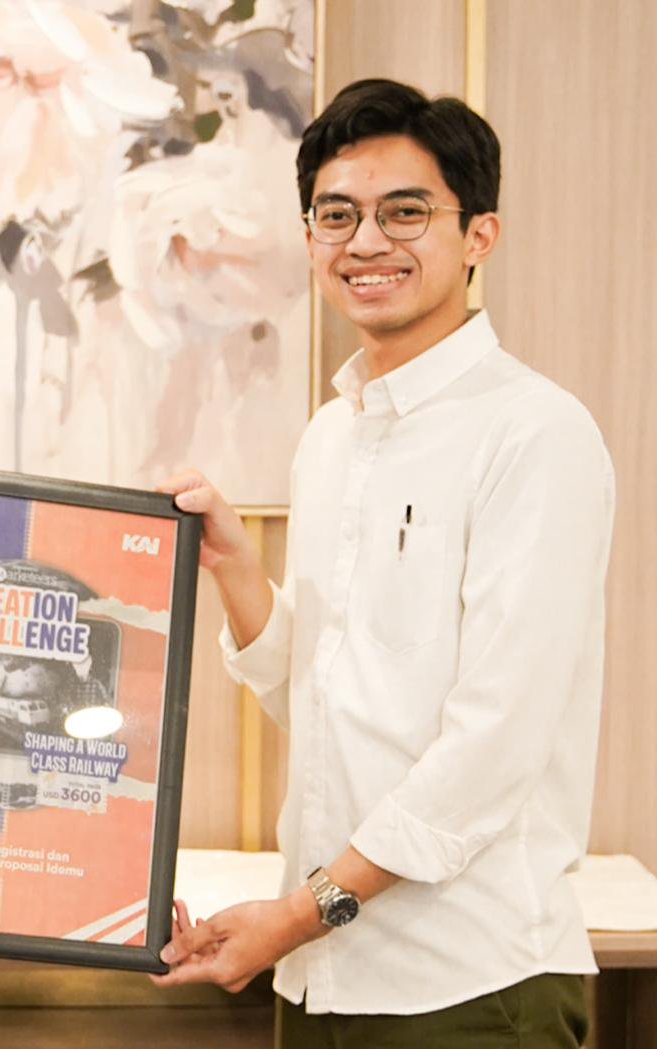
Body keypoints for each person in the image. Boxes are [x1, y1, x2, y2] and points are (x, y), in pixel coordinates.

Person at [155, 79, 615, 1048]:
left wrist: (297, 912)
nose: (365, 241)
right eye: (337, 215)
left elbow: (491, 744)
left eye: (404, 212)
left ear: (478, 235)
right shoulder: (332, 435)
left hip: (470, 983)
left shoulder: (534, 432)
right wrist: (235, 566)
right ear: (310, 237)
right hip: (321, 980)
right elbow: (322, 697)